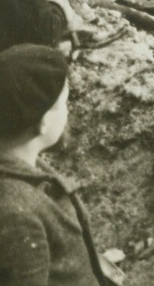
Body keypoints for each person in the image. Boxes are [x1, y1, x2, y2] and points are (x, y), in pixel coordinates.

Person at [0, 44, 117, 285]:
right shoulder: (16, 212)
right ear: (43, 123)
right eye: (63, 102)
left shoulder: (25, 168)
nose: (67, 109)